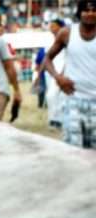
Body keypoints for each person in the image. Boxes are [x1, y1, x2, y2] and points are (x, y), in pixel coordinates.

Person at [44, 0, 96, 148]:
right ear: (79, 13)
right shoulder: (67, 33)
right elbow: (47, 59)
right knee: (73, 151)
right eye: (86, 10)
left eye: (94, 10)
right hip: (73, 100)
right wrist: (58, 77)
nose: (90, 13)